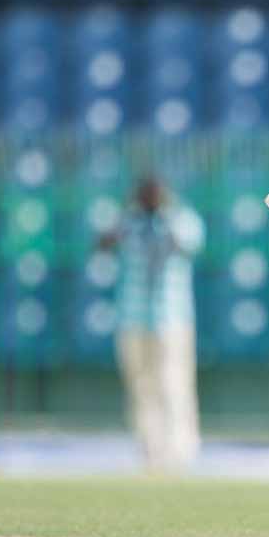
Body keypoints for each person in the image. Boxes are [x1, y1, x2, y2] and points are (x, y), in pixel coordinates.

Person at [99, 176, 205, 473]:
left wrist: (165, 215)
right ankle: (150, 451)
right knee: (140, 387)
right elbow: (103, 243)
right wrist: (126, 217)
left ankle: (181, 452)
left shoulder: (180, 219)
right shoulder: (129, 222)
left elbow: (188, 243)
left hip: (171, 319)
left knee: (174, 384)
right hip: (132, 318)